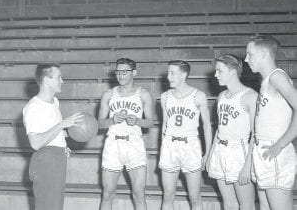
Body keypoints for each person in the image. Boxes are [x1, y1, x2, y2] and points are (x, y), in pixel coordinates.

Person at [245, 35, 297, 210]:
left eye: (249, 54)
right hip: (263, 151)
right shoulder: (266, 82)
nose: (246, 59)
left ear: (264, 55)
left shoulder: (277, 77)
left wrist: (281, 144)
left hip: (274, 150)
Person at [22, 63, 84, 210]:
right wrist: (62, 125)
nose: (62, 81)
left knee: (55, 206)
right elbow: (35, 143)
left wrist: (62, 143)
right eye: (59, 77)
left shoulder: (54, 102)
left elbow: (51, 130)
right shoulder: (33, 108)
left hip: (57, 158)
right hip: (45, 162)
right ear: (47, 80)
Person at [98, 58, 154, 210]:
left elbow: (150, 122)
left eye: (125, 71)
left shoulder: (143, 94)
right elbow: (99, 123)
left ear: (134, 72)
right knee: (108, 194)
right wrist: (111, 120)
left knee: (139, 194)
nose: (120, 75)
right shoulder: (109, 94)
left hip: (134, 145)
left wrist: (137, 121)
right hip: (113, 145)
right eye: (118, 72)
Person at [158, 60, 212, 210]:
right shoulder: (165, 97)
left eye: (172, 73)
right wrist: (164, 146)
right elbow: (164, 124)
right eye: (168, 72)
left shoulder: (198, 96)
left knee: (195, 197)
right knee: (168, 195)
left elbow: (207, 126)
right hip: (170, 145)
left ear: (184, 74)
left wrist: (207, 152)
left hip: (190, 146)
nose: (168, 76)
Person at [207, 54, 257, 210]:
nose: (215, 75)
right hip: (221, 150)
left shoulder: (250, 96)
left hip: (239, 152)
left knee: (246, 204)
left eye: (219, 71)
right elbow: (219, 129)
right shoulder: (221, 96)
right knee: (228, 202)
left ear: (233, 71)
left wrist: (247, 165)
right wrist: (210, 155)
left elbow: (256, 135)